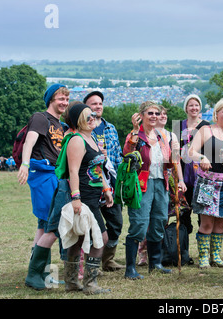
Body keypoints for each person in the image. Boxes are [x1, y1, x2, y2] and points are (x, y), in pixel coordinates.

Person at [122, 101, 185, 279]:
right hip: (142, 185)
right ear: (141, 115)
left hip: (161, 183)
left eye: (157, 114)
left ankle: (155, 263)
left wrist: (177, 171)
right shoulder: (136, 135)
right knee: (139, 224)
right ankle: (130, 269)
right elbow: (127, 152)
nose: (154, 117)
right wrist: (134, 130)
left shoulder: (162, 137)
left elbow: (171, 161)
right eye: (150, 113)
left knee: (159, 221)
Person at [19, 83, 69, 290]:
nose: (64, 102)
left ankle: (43, 275)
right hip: (43, 174)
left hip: (54, 175)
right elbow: (29, 142)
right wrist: (24, 163)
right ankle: (34, 274)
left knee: (43, 224)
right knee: (53, 223)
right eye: (60, 99)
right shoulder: (41, 118)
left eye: (66, 99)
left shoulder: (60, 124)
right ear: (51, 100)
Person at [62, 103, 113, 294]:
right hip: (82, 197)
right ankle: (90, 284)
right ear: (78, 121)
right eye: (87, 116)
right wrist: (75, 198)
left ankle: (71, 282)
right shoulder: (76, 140)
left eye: (93, 115)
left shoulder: (91, 138)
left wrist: (106, 188)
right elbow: (73, 171)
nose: (92, 118)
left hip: (94, 196)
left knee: (79, 238)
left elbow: (97, 168)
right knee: (101, 238)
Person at [188, 98, 223, 269]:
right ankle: (203, 257)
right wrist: (202, 158)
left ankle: (216, 256)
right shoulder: (206, 130)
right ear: (216, 114)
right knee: (207, 222)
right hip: (207, 183)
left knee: (220, 222)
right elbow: (191, 152)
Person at [83, 91, 124, 272]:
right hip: (91, 184)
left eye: (100, 103)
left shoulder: (110, 128)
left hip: (111, 183)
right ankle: (93, 262)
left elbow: (118, 155)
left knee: (116, 223)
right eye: (93, 104)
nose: (98, 106)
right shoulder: (82, 130)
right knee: (93, 228)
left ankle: (108, 259)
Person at [175, 94, 210, 235]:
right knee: (183, 216)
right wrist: (179, 179)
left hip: (204, 177)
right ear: (186, 108)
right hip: (184, 177)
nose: (194, 108)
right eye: (191, 105)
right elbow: (175, 154)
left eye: (196, 105)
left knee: (205, 216)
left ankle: (204, 253)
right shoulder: (179, 126)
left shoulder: (207, 126)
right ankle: (183, 253)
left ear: (200, 108)